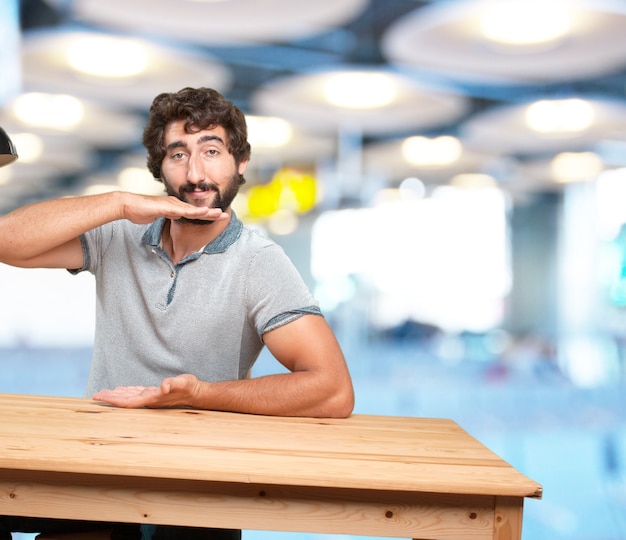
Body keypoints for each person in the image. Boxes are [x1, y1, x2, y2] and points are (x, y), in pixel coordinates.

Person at [0, 87, 354, 540]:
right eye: (177, 154)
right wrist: (119, 204)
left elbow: (332, 392)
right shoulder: (118, 236)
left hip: (197, 486)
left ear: (239, 163)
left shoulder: (260, 263)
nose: (196, 173)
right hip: (97, 468)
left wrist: (198, 394)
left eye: (212, 151)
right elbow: (7, 241)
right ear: (160, 168)